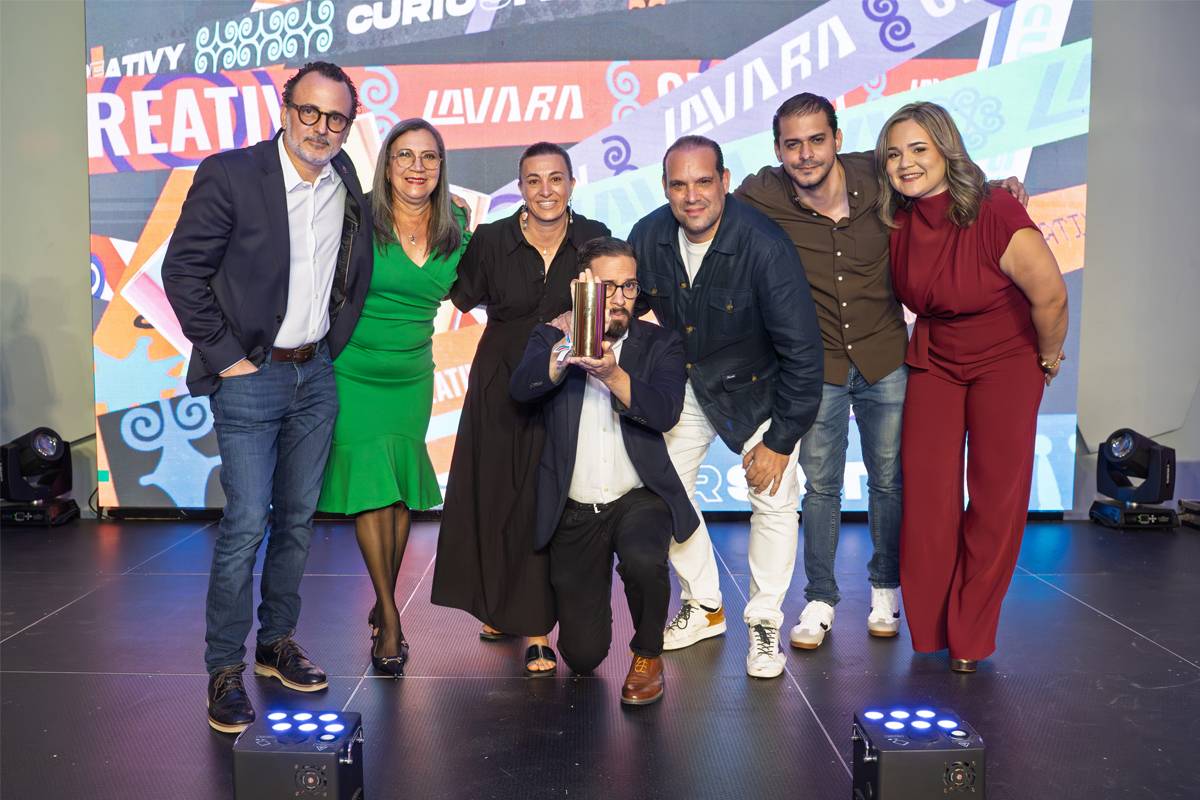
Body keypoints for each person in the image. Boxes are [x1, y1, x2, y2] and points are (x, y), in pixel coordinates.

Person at [736, 93, 1029, 651]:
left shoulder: (880, 173)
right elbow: (699, 204)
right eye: (792, 144)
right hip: (819, 365)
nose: (806, 154)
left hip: (886, 358)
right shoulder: (763, 193)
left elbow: (942, 179)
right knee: (821, 487)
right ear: (777, 150)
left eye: (816, 140)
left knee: (890, 480)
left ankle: (886, 590)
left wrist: (995, 187)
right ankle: (820, 598)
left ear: (838, 139)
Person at [162, 62, 373, 733]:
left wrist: (330, 344)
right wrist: (228, 359)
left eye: (336, 117)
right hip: (250, 376)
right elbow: (182, 272)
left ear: (348, 126)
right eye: (309, 111)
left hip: (316, 376)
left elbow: (349, 268)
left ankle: (276, 643)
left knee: (298, 520)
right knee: (247, 523)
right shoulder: (231, 175)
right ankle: (224, 668)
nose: (321, 127)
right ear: (285, 110)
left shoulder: (344, 178)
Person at [874, 101, 1067, 673]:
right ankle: (932, 630)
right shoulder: (897, 219)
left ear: (946, 149)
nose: (906, 164)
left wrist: (1047, 359)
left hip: (1006, 359)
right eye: (893, 154)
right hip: (935, 356)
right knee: (927, 498)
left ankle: (971, 634)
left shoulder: (996, 208)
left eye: (919, 149)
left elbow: (1051, 296)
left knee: (994, 498)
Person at [629, 135, 823, 679]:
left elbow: (804, 354)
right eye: (679, 184)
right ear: (665, 187)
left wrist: (780, 440)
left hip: (759, 388)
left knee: (774, 495)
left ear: (725, 181)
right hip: (690, 382)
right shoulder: (648, 235)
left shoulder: (765, 245)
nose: (692, 196)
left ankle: (764, 621)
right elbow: (624, 304)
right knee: (662, 488)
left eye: (703, 182)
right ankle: (704, 605)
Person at [431, 143, 610, 676]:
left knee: (544, 500)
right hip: (501, 381)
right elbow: (458, 296)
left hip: (567, 381)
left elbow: (621, 301)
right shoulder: (492, 239)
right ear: (521, 187)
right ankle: (504, 607)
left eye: (556, 178)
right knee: (500, 499)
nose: (545, 190)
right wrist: (447, 230)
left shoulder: (594, 238)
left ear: (572, 183)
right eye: (534, 180)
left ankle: (537, 630)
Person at [509, 237, 697, 705]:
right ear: (582, 287)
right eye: (606, 287)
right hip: (575, 508)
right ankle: (592, 629)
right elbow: (522, 388)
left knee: (644, 560)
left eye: (628, 286)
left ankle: (647, 655)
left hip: (639, 496)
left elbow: (664, 412)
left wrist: (613, 374)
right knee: (583, 655)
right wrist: (568, 350)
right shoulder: (550, 337)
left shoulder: (661, 343)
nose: (619, 298)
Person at [316, 118, 469, 677]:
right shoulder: (357, 216)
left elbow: (482, 287)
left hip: (411, 376)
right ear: (386, 165)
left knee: (400, 494)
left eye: (428, 156)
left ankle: (384, 606)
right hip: (354, 371)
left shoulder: (458, 226)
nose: (416, 167)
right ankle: (389, 615)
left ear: (441, 167)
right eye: (405, 155)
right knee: (372, 493)